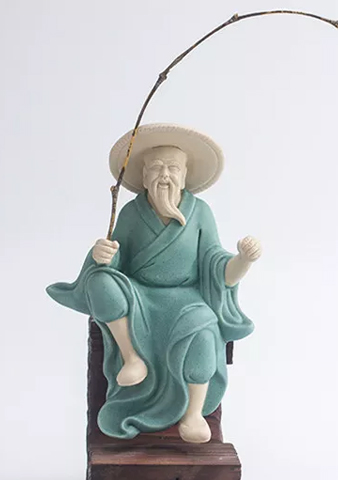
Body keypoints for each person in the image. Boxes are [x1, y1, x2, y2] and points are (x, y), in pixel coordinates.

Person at [47, 124, 261, 443]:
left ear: (185, 176)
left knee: (204, 326)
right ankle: (132, 357)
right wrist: (104, 255)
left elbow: (216, 267)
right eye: (156, 168)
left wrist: (243, 260)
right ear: (144, 177)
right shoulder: (132, 213)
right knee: (100, 281)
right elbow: (117, 260)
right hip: (139, 298)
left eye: (173, 168)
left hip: (186, 299)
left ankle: (193, 414)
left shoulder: (201, 213)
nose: (165, 175)